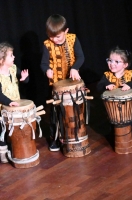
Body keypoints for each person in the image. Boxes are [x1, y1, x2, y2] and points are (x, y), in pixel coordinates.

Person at [40, 14, 85, 151]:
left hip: (72, 80)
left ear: (66, 31)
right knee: (55, 112)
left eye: (58, 36)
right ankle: (55, 139)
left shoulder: (73, 39)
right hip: (56, 83)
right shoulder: (47, 45)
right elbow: (43, 63)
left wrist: (75, 68)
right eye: (51, 36)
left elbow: (81, 57)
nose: (54, 39)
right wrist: (47, 69)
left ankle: (74, 135)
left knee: (74, 110)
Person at [97, 46, 132, 140]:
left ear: (125, 65)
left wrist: (130, 84)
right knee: (115, 137)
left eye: (116, 61)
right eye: (110, 60)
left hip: (129, 111)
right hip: (114, 112)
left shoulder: (130, 74)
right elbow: (99, 86)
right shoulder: (107, 75)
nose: (112, 64)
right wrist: (107, 84)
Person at [0, 42, 29, 163]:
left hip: (14, 106)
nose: (14, 57)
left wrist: (24, 79)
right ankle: (2, 152)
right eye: (11, 55)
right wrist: (8, 102)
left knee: (14, 130)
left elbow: (24, 79)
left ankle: (15, 148)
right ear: (1, 59)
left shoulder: (13, 68)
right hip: (2, 108)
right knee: (2, 131)